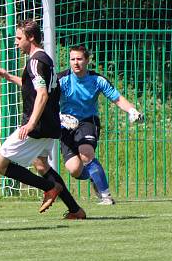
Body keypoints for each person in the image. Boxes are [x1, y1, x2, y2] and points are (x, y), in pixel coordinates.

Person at [0, 19, 86, 220]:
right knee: (42, 165)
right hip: (50, 125)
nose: (16, 42)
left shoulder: (34, 61)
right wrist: (9, 77)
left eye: (19, 38)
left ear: (31, 37)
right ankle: (75, 210)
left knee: (0, 165)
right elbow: (36, 88)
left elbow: (42, 94)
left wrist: (31, 123)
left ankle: (49, 187)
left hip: (38, 126)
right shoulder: (46, 59)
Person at [58, 45, 144, 205]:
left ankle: (106, 195)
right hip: (65, 125)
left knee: (86, 154)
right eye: (72, 59)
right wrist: (59, 117)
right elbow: (44, 96)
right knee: (74, 169)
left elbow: (117, 98)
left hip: (87, 122)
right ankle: (92, 174)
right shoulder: (61, 79)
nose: (75, 62)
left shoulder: (97, 80)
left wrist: (132, 110)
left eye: (79, 59)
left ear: (87, 60)